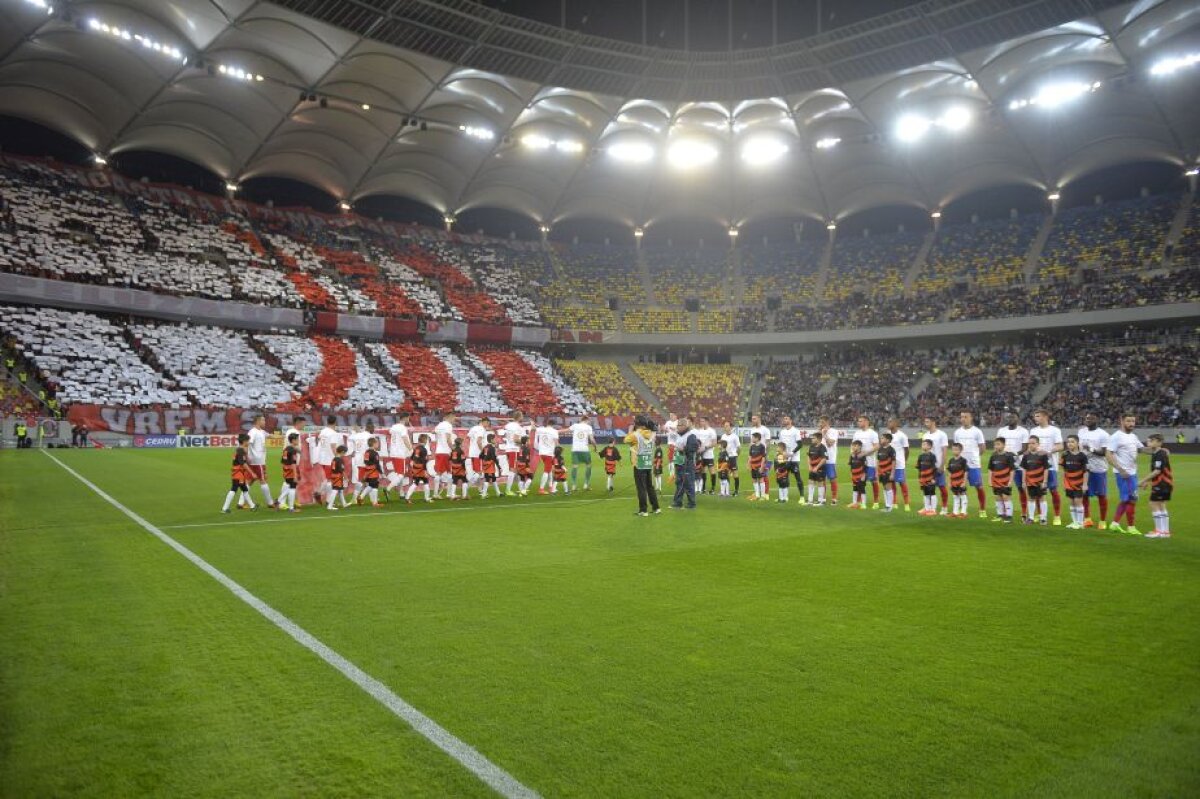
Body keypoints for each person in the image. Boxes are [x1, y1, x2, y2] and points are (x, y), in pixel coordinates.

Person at [1106, 413, 1143, 536]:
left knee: (1127, 499)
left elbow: (1141, 449)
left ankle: (1115, 524)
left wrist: (1158, 449)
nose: (1131, 424)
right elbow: (1108, 454)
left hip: (1132, 472)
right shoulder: (1116, 436)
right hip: (1124, 474)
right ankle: (1131, 527)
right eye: (1128, 421)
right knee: (1132, 499)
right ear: (1121, 421)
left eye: (1133, 421)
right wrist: (1120, 469)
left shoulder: (1133, 436)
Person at [1030, 409, 1065, 526]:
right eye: (1035, 416)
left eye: (1038, 416)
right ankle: (1040, 515)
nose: (1035, 418)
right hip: (1036, 466)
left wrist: (1048, 451)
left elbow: (1061, 446)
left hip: (1051, 465)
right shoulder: (1033, 431)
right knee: (1038, 491)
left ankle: (1057, 516)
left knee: (1053, 490)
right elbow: (1031, 446)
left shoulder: (1055, 430)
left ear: (1045, 417)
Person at [1077, 411, 1110, 529]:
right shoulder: (1081, 432)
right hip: (1084, 468)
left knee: (1101, 495)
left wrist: (1090, 449)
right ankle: (1087, 519)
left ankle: (1102, 521)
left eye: (1091, 418)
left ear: (1097, 419)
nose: (1088, 420)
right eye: (1087, 418)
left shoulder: (1103, 434)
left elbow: (1104, 452)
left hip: (1098, 469)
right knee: (1084, 493)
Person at [996, 413, 1031, 521]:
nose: (1010, 419)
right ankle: (1003, 514)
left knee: (1021, 489)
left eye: (1013, 417)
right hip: (1004, 465)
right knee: (1001, 490)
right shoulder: (1001, 431)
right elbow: (998, 445)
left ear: (1018, 418)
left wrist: (1014, 454)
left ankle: (1024, 513)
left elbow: (1025, 448)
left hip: (1019, 465)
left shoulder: (1023, 431)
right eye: (1008, 417)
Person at [953, 411, 987, 518]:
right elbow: (956, 447)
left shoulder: (977, 431)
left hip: (973, 465)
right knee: (959, 488)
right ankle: (962, 511)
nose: (963, 419)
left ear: (971, 418)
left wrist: (975, 456)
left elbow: (982, 448)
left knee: (979, 487)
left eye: (965, 417)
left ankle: (982, 510)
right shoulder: (957, 432)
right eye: (961, 417)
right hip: (960, 465)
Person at [624, 418, 660, 516]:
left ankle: (643, 510)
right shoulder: (651, 434)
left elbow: (626, 440)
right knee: (650, 487)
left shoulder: (635, 434)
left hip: (638, 464)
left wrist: (630, 430)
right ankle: (656, 508)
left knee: (641, 488)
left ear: (637, 424)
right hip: (647, 463)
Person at [1141, 434, 1173, 538]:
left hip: (1162, 484)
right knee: (1161, 505)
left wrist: (1143, 480)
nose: (1148, 442)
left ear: (1159, 442)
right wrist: (1147, 481)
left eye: (1151, 441)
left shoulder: (1160, 454)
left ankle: (1159, 531)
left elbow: (1157, 471)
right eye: (1148, 441)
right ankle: (1165, 532)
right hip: (1166, 483)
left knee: (1153, 503)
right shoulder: (1159, 453)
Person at [671, 416, 702, 509]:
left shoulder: (690, 435)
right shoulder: (679, 435)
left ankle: (691, 503)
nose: (677, 427)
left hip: (687, 463)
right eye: (677, 425)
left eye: (679, 425)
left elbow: (694, 448)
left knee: (688, 483)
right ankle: (678, 502)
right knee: (679, 483)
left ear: (684, 426)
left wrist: (683, 450)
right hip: (679, 463)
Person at [221, 433, 257, 513]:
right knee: (234, 489)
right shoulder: (240, 450)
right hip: (238, 473)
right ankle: (224, 508)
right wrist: (252, 473)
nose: (249, 442)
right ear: (244, 441)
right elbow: (243, 463)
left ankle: (252, 506)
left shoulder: (240, 450)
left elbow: (245, 460)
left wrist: (246, 454)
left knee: (244, 489)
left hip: (238, 473)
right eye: (248, 441)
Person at [921, 417, 950, 515]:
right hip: (927, 467)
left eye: (927, 422)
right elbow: (924, 450)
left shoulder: (942, 434)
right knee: (927, 488)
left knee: (941, 487)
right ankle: (928, 507)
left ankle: (944, 508)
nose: (925, 423)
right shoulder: (925, 435)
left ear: (933, 422)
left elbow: (944, 451)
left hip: (938, 465)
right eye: (925, 421)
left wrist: (942, 465)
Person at [1020, 435, 1050, 525]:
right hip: (1030, 481)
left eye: (1033, 443)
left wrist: (1045, 481)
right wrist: (1023, 481)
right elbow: (1024, 469)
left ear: (1038, 444)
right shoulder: (1026, 455)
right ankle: (1031, 518)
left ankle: (1043, 518)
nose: (1031, 445)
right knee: (1031, 498)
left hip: (1040, 482)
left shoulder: (1042, 455)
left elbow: (1046, 469)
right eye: (1029, 443)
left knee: (1042, 498)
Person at [246, 414, 275, 509]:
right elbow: (247, 443)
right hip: (257, 460)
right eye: (263, 420)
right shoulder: (252, 432)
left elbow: (270, 436)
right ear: (258, 421)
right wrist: (246, 456)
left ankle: (240, 503)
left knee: (250, 480)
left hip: (256, 460)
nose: (265, 422)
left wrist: (286, 436)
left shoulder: (261, 431)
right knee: (263, 480)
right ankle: (270, 502)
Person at [852, 416, 880, 509]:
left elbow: (877, 446)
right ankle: (858, 502)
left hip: (870, 462)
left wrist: (865, 453)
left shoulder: (873, 433)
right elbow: (853, 445)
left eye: (860, 421)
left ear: (866, 422)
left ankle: (876, 502)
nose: (858, 423)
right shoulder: (857, 433)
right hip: (859, 463)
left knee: (873, 481)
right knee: (859, 481)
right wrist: (853, 453)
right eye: (858, 421)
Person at [778, 416, 806, 505]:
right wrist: (780, 455)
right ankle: (784, 497)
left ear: (791, 420)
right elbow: (781, 445)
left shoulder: (796, 431)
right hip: (783, 457)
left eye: (786, 419)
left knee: (797, 477)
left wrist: (791, 453)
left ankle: (802, 497)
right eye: (784, 419)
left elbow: (800, 444)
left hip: (794, 458)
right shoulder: (782, 432)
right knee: (783, 477)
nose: (784, 420)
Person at [988, 438, 1017, 524]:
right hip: (996, 481)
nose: (996, 446)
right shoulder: (993, 456)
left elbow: (1012, 470)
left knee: (1006, 497)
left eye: (998, 444)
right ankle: (1000, 515)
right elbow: (990, 469)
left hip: (1005, 481)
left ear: (1004, 445)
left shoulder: (1008, 456)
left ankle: (1009, 516)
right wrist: (990, 480)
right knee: (998, 497)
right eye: (995, 444)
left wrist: (1010, 481)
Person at [1061, 435, 1088, 529]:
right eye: (1068, 442)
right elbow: (1063, 469)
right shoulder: (1065, 455)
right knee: (1072, 502)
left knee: (1078, 501)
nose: (1070, 444)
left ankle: (1080, 523)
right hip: (1068, 483)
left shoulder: (1082, 456)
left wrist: (1085, 484)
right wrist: (1064, 482)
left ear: (1077, 443)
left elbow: (1085, 471)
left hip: (1079, 483)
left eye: (1072, 442)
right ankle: (1074, 522)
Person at [886, 418, 911, 512]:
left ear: (896, 423)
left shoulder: (902, 436)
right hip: (889, 463)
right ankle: (894, 503)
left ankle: (906, 504)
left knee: (902, 483)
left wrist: (904, 460)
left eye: (890, 421)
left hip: (899, 463)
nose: (888, 423)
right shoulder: (887, 434)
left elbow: (907, 450)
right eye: (888, 421)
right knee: (891, 482)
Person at [501, 411, 528, 496]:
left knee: (514, 469)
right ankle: (508, 490)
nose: (523, 417)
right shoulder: (518, 427)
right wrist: (524, 442)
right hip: (514, 449)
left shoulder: (508, 425)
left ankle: (520, 489)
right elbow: (515, 439)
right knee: (513, 470)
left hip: (508, 448)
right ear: (519, 417)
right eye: (522, 415)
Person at [568, 413, 596, 492]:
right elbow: (592, 440)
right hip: (584, 449)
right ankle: (586, 484)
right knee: (588, 465)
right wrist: (595, 447)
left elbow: (565, 430)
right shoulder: (588, 427)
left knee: (575, 466)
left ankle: (574, 485)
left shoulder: (575, 425)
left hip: (575, 449)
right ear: (587, 420)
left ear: (581, 419)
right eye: (589, 421)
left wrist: (556, 431)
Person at [315, 416, 341, 503]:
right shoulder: (333, 433)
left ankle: (318, 493)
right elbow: (333, 446)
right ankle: (328, 500)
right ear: (335, 422)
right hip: (330, 459)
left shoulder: (323, 431)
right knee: (330, 479)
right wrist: (337, 457)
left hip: (322, 458)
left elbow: (318, 440)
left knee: (327, 478)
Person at [433, 412, 457, 499]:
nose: (454, 420)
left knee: (438, 472)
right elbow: (448, 439)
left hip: (438, 451)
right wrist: (453, 449)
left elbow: (433, 432)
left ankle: (436, 494)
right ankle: (448, 494)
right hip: (446, 452)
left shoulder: (439, 425)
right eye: (454, 418)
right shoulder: (448, 425)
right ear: (450, 417)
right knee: (449, 472)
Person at [388, 412, 413, 489]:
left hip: (393, 453)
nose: (409, 420)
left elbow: (390, 432)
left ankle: (401, 492)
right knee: (401, 474)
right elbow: (405, 439)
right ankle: (388, 488)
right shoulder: (402, 428)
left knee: (398, 473)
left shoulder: (393, 427)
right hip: (400, 453)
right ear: (405, 418)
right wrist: (411, 449)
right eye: (408, 418)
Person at [818, 416, 840, 504]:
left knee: (832, 478)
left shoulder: (834, 431)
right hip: (821, 459)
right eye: (820, 422)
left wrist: (824, 435)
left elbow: (830, 443)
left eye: (822, 422)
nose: (820, 424)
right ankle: (823, 498)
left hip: (830, 459)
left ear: (827, 422)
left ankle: (834, 498)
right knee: (822, 479)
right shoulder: (819, 432)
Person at [751, 414, 773, 498]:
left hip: (763, 456)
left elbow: (768, 443)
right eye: (752, 419)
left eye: (754, 419)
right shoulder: (752, 430)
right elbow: (751, 443)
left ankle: (766, 494)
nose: (752, 420)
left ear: (759, 419)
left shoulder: (765, 430)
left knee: (764, 475)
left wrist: (766, 455)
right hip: (754, 456)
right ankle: (758, 493)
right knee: (755, 475)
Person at [405, 435, 433, 503]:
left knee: (418, 482)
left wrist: (412, 463)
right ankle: (426, 498)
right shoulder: (424, 450)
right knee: (423, 482)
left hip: (415, 467)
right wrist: (425, 470)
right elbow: (424, 461)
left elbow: (412, 457)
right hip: (421, 468)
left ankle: (408, 497)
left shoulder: (416, 448)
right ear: (425, 441)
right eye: (427, 440)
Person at [278, 432, 301, 513]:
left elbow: (282, 462)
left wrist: (285, 471)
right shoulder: (293, 450)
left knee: (288, 487)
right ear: (293, 440)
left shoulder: (286, 449)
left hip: (286, 470)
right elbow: (293, 463)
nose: (298, 441)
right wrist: (295, 475)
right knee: (292, 488)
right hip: (291, 471)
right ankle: (291, 508)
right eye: (297, 439)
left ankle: (279, 501)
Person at [695, 417, 718, 495]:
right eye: (700, 421)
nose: (701, 422)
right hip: (701, 455)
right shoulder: (699, 431)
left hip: (709, 455)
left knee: (712, 471)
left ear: (707, 422)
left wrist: (705, 447)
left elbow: (714, 443)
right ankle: (703, 488)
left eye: (703, 421)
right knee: (702, 471)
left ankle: (713, 488)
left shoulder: (712, 431)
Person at [535, 421, 559, 495]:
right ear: (553, 425)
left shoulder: (541, 429)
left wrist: (533, 424)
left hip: (541, 452)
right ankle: (541, 489)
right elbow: (556, 443)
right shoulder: (554, 431)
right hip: (549, 453)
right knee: (546, 471)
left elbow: (534, 429)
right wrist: (559, 451)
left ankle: (550, 486)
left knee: (549, 470)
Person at [946, 443, 969, 518]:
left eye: (956, 450)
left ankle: (963, 512)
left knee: (963, 496)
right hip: (953, 482)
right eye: (953, 449)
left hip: (960, 482)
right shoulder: (951, 460)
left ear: (960, 450)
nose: (954, 451)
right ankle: (955, 512)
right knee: (955, 496)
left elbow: (966, 472)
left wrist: (964, 482)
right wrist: (949, 482)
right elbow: (949, 472)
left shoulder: (963, 460)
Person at [326, 444, 351, 511]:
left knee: (340, 490)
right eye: (345, 453)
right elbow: (341, 470)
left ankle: (344, 504)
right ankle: (330, 506)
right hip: (338, 476)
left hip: (334, 476)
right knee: (335, 490)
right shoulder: (340, 460)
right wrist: (346, 478)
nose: (345, 454)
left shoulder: (334, 459)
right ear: (342, 452)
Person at [360, 437, 383, 507]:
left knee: (371, 485)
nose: (378, 444)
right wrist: (381, 472)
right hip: (373, 471)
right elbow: (377, 464)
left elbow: (365, 461)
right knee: (375, 486)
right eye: (377, 443)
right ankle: (374, 502)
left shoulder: (366, 452)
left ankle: (362, 497)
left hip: (367, 471)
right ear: (374, 444)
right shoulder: (375, 453)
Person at [806, 431, 828, 506]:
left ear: (819, 439)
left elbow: (824, 459)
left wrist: (817, 467)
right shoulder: (811, 446)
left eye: (813, 438)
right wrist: (809, 466)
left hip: (820, 469)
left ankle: (820, 501)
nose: (812, 439)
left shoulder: (822, 447)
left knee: (820, 483)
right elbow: (808, 456)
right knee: (811, 482)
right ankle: (810, 500)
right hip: (812, 468)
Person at [720, 421, 741, 497]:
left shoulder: (735, 436)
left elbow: (739, 448)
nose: (725, 427)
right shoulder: (723, 436)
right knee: (726, 474)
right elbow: (721, 447)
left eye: (727, 426)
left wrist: (736, 456)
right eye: (724, 426)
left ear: (730, 427)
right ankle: (726, 491)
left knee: (735, 474)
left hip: (732, 457)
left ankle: (736, 491)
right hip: (725, 458)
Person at [877, 432, 896, 512]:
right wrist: (877, 472)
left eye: (882, 438)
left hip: (888, 472)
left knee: (888, 488)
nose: (880, 439)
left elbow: (894, 462)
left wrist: (892, 473)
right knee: (884, 488)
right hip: (881, 472)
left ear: (888, 440)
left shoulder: (891, 450)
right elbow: (878, 461)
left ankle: (889, 506)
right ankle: (887, 505)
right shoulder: (880, 449)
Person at [747, 432, 767, 502]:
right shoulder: (752, 446)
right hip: (753, 466)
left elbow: (763, 457)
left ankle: (763, 496)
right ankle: (757, 495)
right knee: (754, 480)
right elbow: (750, 456)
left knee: (761, 480)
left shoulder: (762, 446)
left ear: (757, 438)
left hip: (759, 466)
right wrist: (748, 464)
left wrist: (762, 467)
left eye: (753, 438)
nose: (752, 439)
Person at [848, 441, 868, 510]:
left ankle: (863, 504)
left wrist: (864, 475)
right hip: (854, 476)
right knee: (855, 489)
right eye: (853, 446)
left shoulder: (862, 455)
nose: (853, 447)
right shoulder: (852, 455)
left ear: (859, 447)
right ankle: (854, 503)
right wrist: (851, 474)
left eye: (855, 446)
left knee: (862, 489)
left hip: (861, 476)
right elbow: (851, 466)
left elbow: (865, 466)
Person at [480, 434, 500, 498]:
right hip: (490, 465)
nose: (495, 440)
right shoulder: (492, 448)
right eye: (494, 439)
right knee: (488, 479)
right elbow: (494, 458)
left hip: (485, 465)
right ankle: (484, 494)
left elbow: (480, 456)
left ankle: (498, 493)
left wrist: (485, 460)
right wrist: (499, 467)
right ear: (491, 440)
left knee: (493, 478)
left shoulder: (485, 447)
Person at [663, 412, 680, 482]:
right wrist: (665, 429)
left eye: (672, 415)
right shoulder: (668, 422)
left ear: (676, 416)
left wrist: (673, 429)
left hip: (677, 444)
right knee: (670, 460)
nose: (671, 416)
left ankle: (675, 474)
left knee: (677, 460)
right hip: (671, 443)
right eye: (670, 415)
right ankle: (671, 475)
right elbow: (664, 429)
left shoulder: (678, 422)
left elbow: (678, 431)